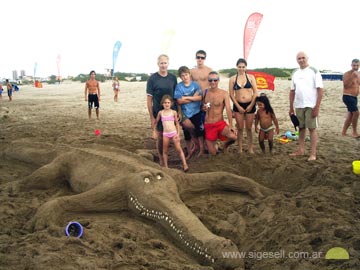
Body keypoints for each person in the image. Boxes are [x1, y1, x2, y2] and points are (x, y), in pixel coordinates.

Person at [289, 51, 324, 161]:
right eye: (299, 58)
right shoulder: (295, 73)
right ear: (296, 60)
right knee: (301, 128)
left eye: (303, 57)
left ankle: (313, 154)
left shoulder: (314, 71)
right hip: (299, 105)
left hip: (311, 105)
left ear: (307, 58)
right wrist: (291, 107)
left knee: (312, 129)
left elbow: (320, 90)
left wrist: (317, 107)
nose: (301, 60)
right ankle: (301, 150)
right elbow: (292, 91)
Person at [146, 54, 178, 166]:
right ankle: (161, 158)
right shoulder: (152, 79)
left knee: (171, 133)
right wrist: (152, 117)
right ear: (158, 64)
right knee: (160, 136)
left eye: (165, 63)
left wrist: (178, 112)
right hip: (158, 112)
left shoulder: (173, 78)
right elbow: (149, 99)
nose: (163, 65)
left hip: (171, 111)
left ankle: (169, 156)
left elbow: (176, 96)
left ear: (168, 64)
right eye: (161, 63)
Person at [203, 71, 237, 155]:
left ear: (218, 80)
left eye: (215, 80)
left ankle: (224, 146)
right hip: (209, 124)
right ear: (208, 81)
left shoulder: (224, 93)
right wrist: (203, 108)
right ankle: (215, 145)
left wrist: (231, 125)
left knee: (233, 137)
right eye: (210, 80)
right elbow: (201, 107)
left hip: (220, 123)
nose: (213, 82)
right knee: (213, 153)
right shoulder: (205, 92)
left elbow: (228, 109)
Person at [229, 58, 258, 154]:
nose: (241, 69)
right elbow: (231, 94)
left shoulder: (251, 77)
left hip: (250, 104)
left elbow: (255, 92)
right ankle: (240, 148)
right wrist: (238, 106)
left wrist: (251, 105)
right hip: (238, 105)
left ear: (246, 67)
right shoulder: (233, 79)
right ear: (237, 67)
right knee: (240, 128)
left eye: (243, 67)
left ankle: (250, 148)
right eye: (239, 67)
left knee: (249, 128)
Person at [175, 66, 204, 158]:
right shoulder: (179, 86)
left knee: (199, 130)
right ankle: (190, 151)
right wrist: (193, 98)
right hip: (185, 112)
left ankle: (201, 149)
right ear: (180, 77)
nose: (185, 77)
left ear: (189, 74)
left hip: (196, 111)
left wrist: (186, 97)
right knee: (187, 131)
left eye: (186, 75)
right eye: (182, 76)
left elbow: (200, 97)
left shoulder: (195, 85)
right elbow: (179, 101)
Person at [154, 95, 189, 172]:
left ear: (171, 104)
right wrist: (155, 131)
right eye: (165, 103)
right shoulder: (161, 113)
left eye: (168, 103)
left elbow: (177, 123)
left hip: (173, 133)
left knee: (179, 149)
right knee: (165, 151)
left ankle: (185, 164)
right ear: (162, 104)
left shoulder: (173, 112)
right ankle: (166, 167)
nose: (167, 104)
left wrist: (178, 134)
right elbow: (156, 122)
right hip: (165, 134)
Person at [341, 58, 360, 138]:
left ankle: (343, 132)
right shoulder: (347, 74)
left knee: (350, 114)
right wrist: (352, 76)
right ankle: (354, 132)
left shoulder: (359, 74)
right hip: (347, 96)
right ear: (351, 65)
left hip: (355, 97)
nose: (355, 67)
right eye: (354, 65)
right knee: (356, 113)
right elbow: (346, 85)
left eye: (357, 65)